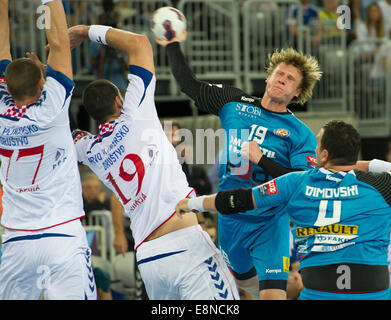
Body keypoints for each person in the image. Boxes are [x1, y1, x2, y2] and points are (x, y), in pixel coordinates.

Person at [69, 22, 239, 300]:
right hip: (185, 246)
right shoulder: (136, 114)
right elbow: (140, 44)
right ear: (118, 100)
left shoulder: (89, 149)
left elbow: (63, 134)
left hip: (149, 257)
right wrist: (84, 31)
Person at [156, 29, 322, 300]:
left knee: (272, 295)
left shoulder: (300, 133)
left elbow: (301, 184)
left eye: (290, 79)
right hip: (230, 217)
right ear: (268, 76)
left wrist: (262, 159)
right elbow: (189, 84)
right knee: (241, 287)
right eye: (279, 73)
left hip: (270, 223)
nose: (282, 79)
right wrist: (173, 45)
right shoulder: (234, 103)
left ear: (298, 92)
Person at [176, 120, 391, 300]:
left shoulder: (297, 182)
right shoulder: (381, 185)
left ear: (324, 155)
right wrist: (360, 165)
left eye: (316, 144)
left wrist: (193, 204)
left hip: (319, 291)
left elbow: (239, 199)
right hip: (374, 289)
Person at [0, 0, 96, 300]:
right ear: (42, 84)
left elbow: (2, 49)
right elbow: (57, 42)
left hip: (16, 241)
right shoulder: (53, 106)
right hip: (63, 235)